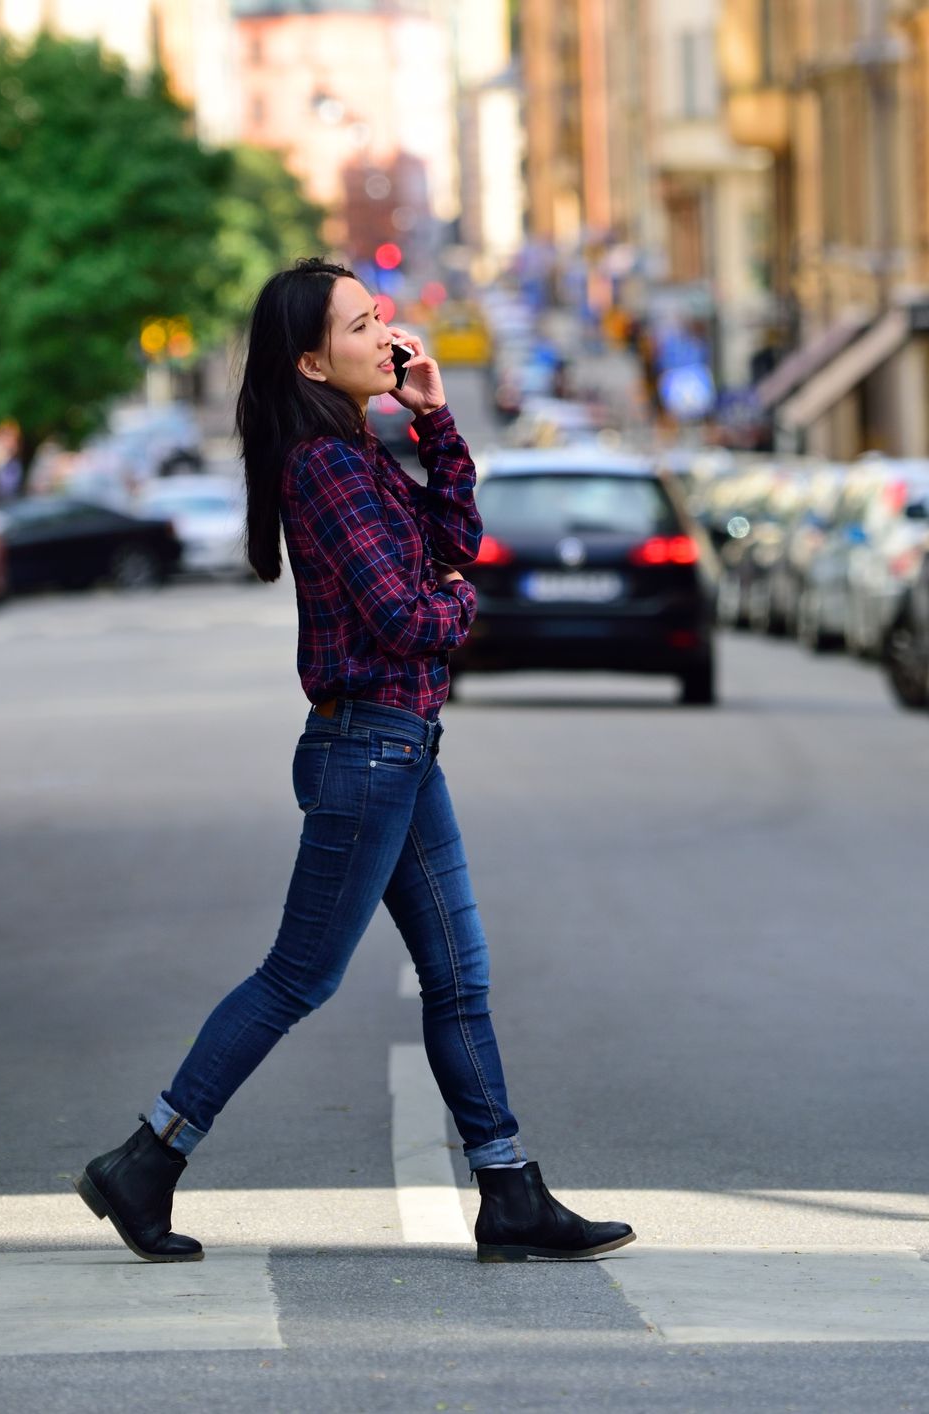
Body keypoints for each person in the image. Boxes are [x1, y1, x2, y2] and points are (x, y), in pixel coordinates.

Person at [75, 258, 634, 1266]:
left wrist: (432, 421)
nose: (388, 336)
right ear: (308, 359)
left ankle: (508, 1192)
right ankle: (146, 1156)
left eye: (381, 318)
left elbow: (456, 533)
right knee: (298, 976)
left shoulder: (360, 449)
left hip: (399, 749)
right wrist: (466, 607)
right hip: (364, 750)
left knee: (458, 979)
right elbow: (408, 614)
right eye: (361, 325)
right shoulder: (323, 467)